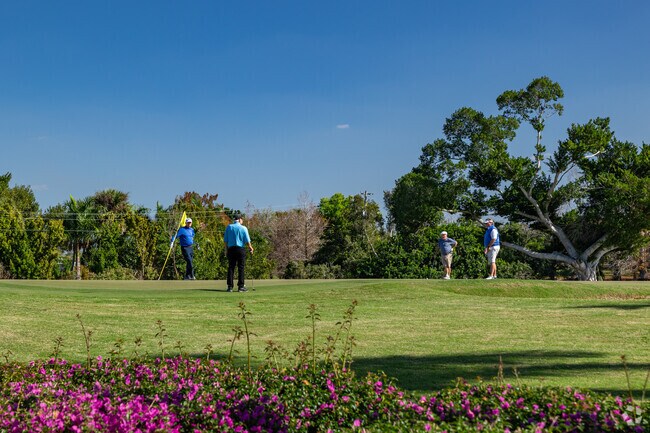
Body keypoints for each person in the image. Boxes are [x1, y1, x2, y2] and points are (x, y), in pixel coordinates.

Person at [223, 214, 254, 292]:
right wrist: (250, 248)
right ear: (240, 219)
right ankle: (241, 286)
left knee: (231, 267)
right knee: (241, 268)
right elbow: (247, 240)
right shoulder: (243, 228)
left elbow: (225, 241)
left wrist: (226, 250)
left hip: (231, 249)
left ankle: (230, 287)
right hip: (240, 249)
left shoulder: (229, 227)